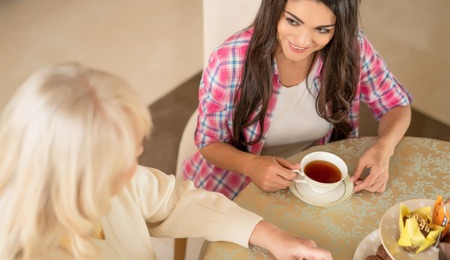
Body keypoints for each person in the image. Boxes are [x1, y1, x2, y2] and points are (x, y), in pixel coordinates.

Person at [0, 63, 333, 260]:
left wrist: (274, 236)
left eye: (135, 155)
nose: (133, 173)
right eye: (118, 166)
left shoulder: (112, 182)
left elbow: (174, 203)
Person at [182, 0, 412, 200]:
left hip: (315, 186)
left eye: (322, 29)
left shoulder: (352, 48)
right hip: (234, 185)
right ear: (274, 7)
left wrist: (385, 147)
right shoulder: (228, 61)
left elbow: (396, 105)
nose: (303, 41)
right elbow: (209, 143)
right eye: (293, 21)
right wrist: (251, 165)